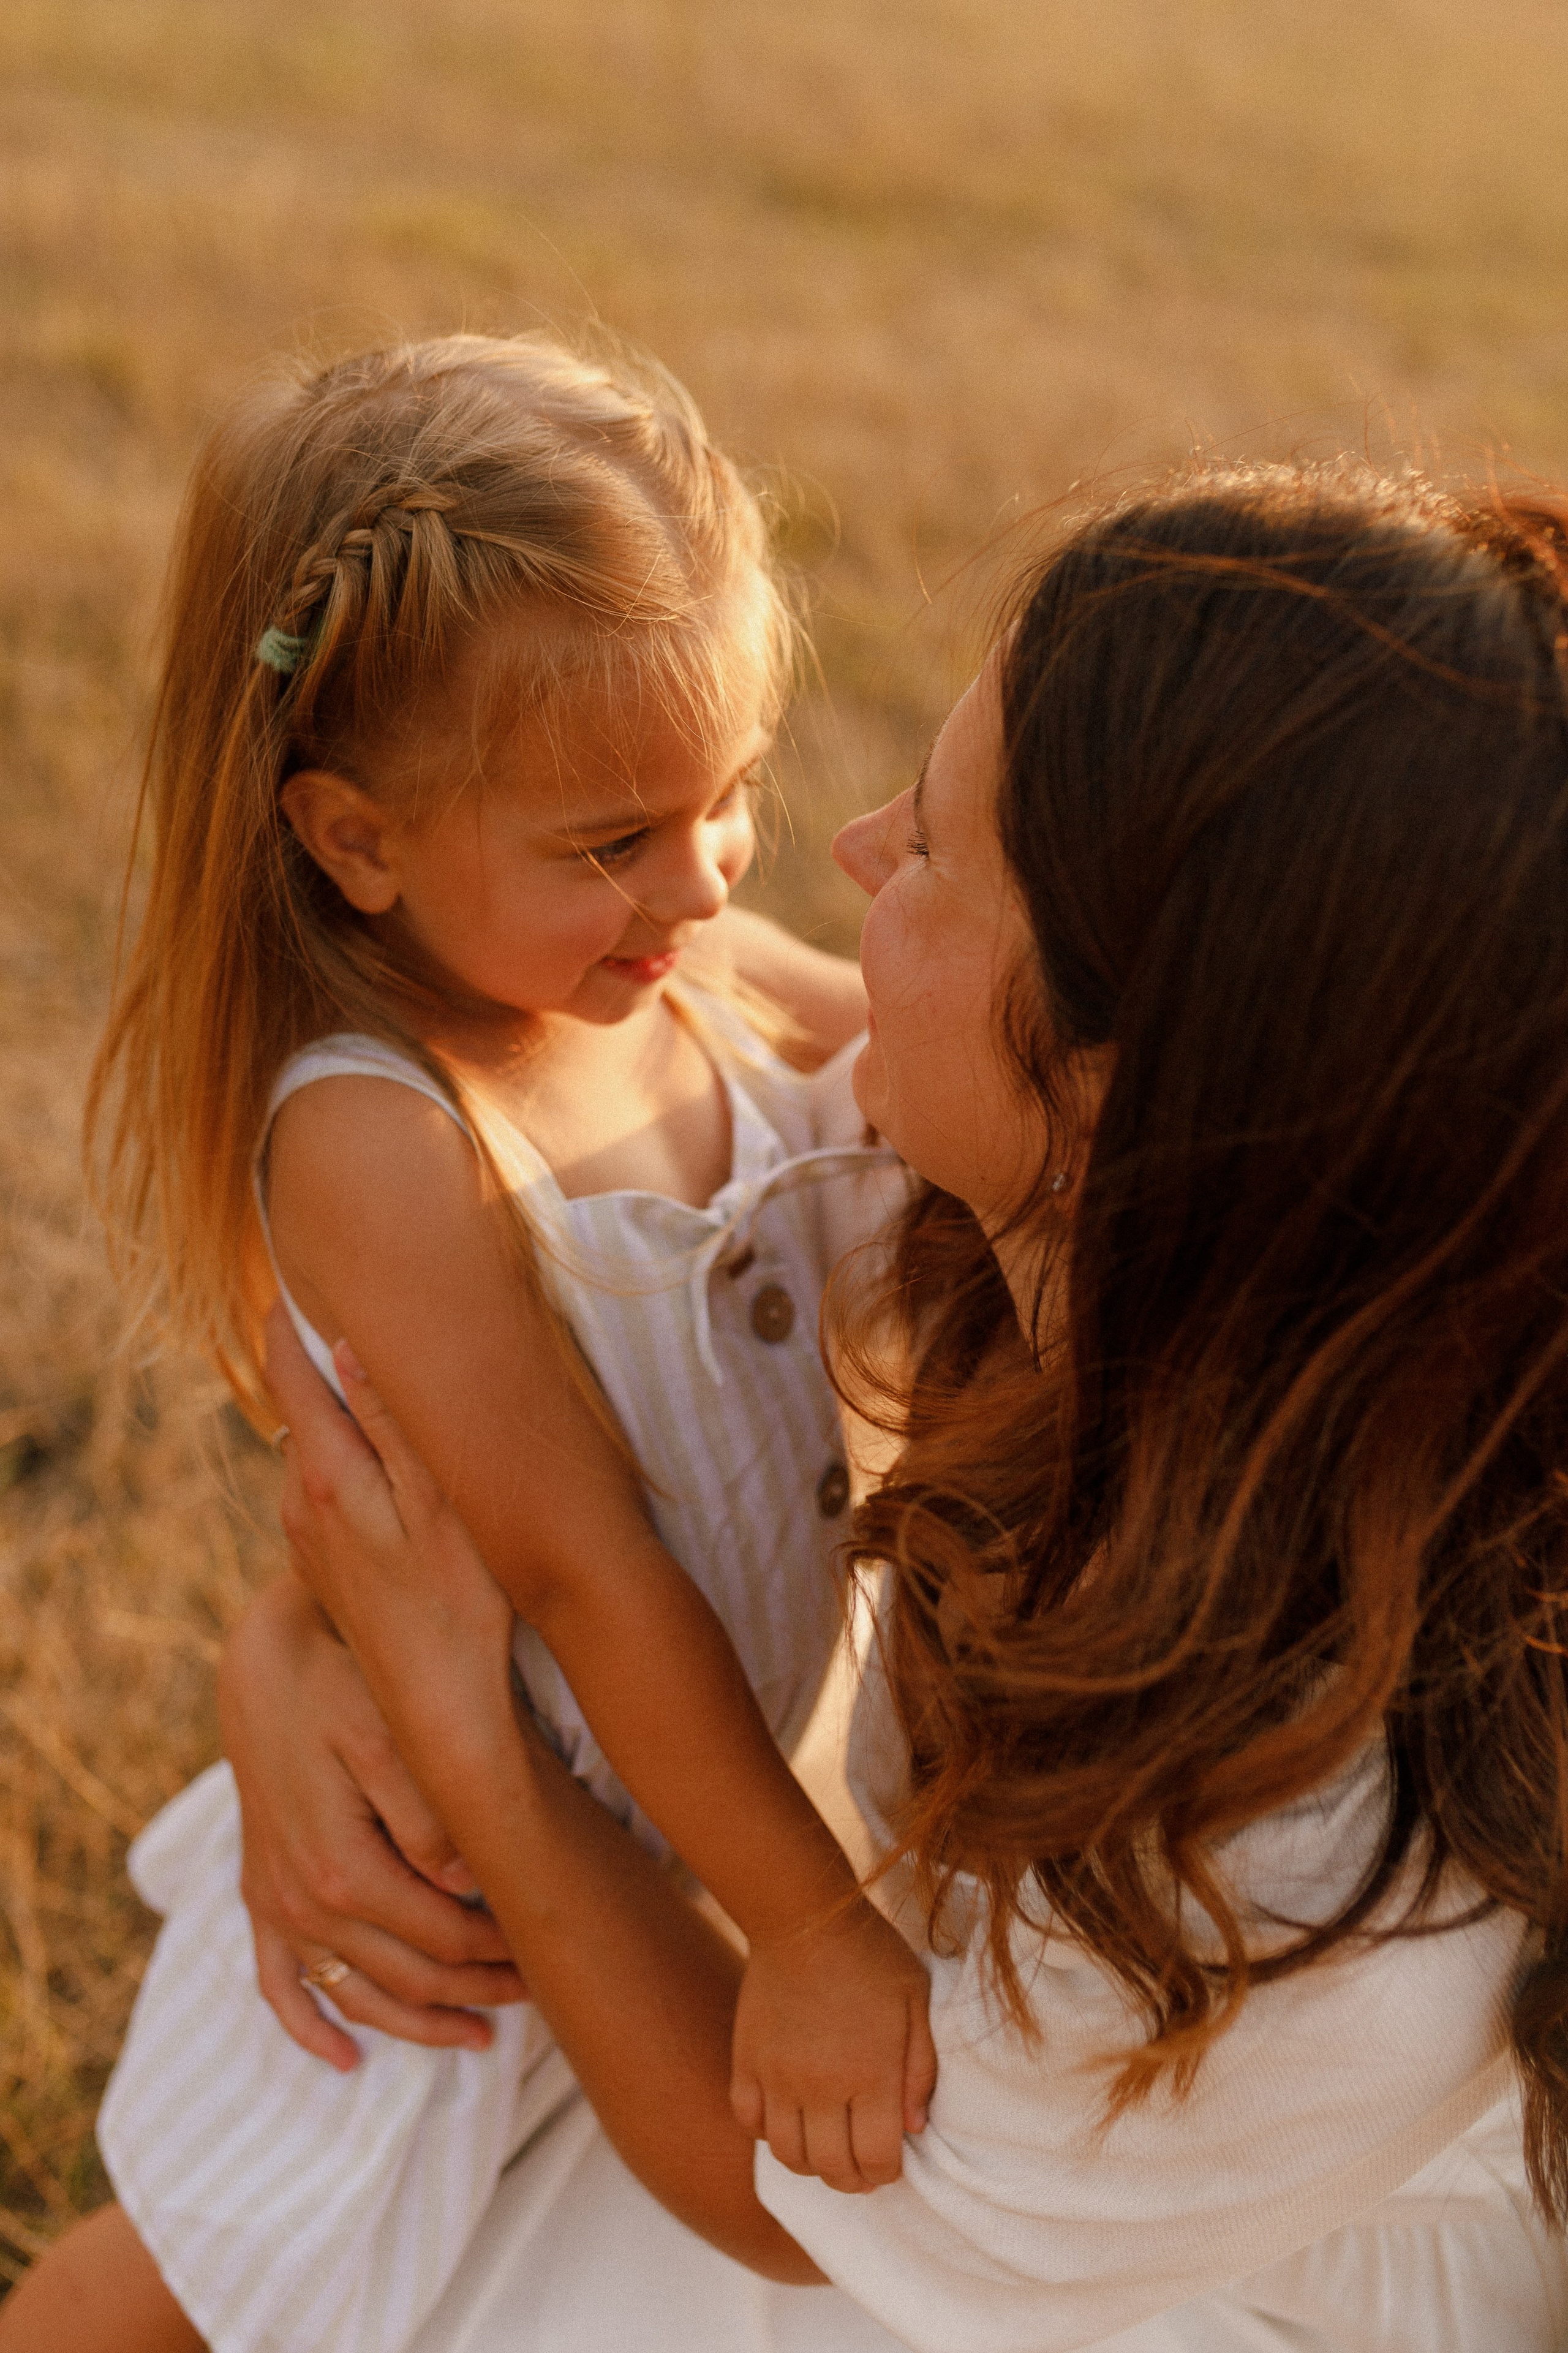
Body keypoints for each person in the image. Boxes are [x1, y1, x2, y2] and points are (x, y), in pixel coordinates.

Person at [74, 458, 1568, 2353]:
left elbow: (819, 2198)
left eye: (931, 848)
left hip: (1176, 2267)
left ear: (1135, 1083)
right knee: (149, 2292)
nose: (836, 854)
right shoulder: (1146, 1242)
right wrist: (298, 1644)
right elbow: (543, 1460)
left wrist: (472, 1737)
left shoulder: (1316, 1846)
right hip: (884, 2047)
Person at [1, 333, 931, 2353]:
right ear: (358, 840)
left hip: (669, 1844)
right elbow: (583, 1571)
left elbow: (936, 1045)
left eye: (733, 796)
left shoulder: (685, 966)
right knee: (209, 2277)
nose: (702, 877)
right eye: (612, 838)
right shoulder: (384, 1135)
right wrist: (810, 1923)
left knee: (474, 2279)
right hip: (449, 1892)